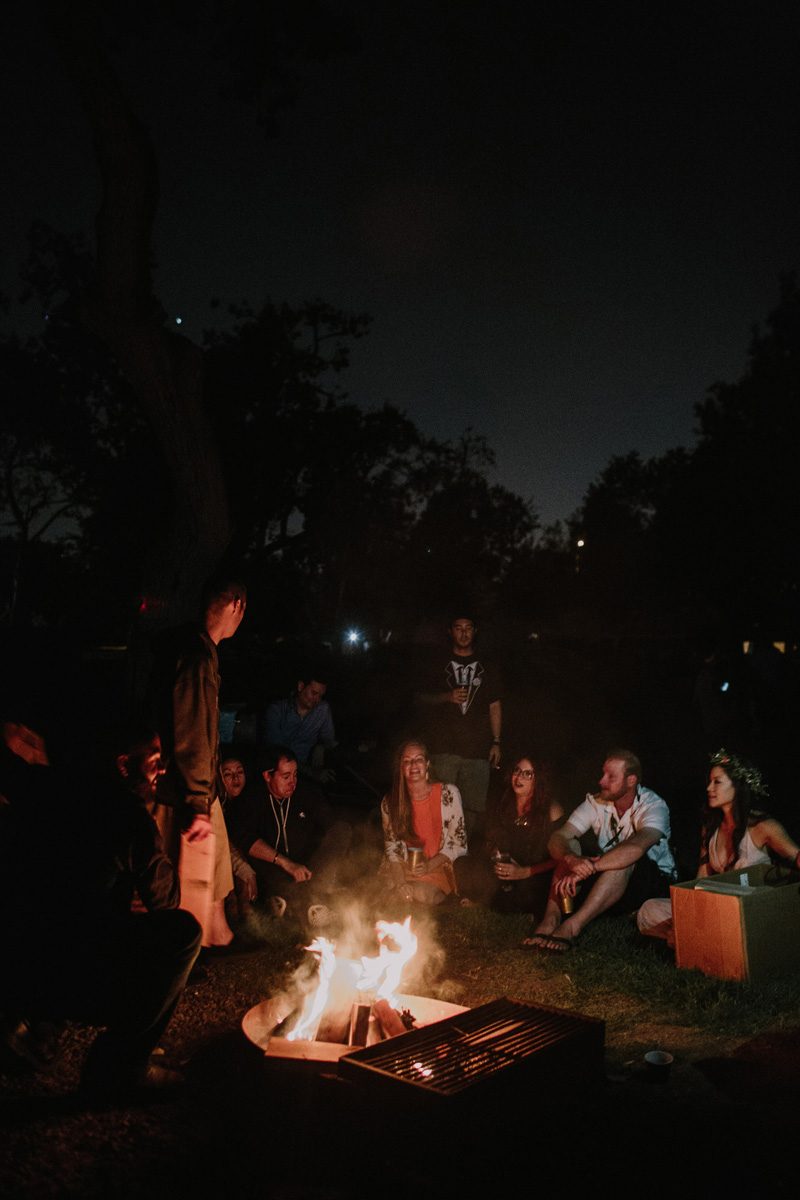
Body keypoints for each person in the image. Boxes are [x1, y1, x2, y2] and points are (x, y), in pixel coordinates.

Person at [0, 721, 201, 1095]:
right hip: (78, 971)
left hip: (19, 960)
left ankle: (33, 1024)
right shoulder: (130, 818)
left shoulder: (42, 784)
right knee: (183, 934)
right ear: (124, 765)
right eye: (154, 761)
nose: (160, 771)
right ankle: (121, 1067)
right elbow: (166, 902)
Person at [150, 573, 247, 947]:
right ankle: (189, 949)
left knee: (215, 871)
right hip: (181, 788)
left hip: (196, 786)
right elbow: (192, 732)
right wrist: (196, 802)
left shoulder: (198, 649)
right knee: (183, 875)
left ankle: (218, 937)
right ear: (236, 605)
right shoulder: (194, 655)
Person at [637, 748, 800, 943]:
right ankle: (693, 937)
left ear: (737, 786)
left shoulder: (763, 827)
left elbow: (796, 856)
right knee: (650, 909)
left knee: (721, 925)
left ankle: (688, 938)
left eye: (717, 782)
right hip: (717, 907)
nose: (709, 788)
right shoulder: (711, 827)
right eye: (709, 781)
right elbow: (702, 877)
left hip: (750, 911)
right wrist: (687, 906)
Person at [524, 748, 676, 952]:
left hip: (652, 883)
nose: (601, 781)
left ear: (631, 780)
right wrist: (572, 859)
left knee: (623, 860)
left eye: (611, 777)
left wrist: (590, 868)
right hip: (611, 881)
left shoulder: (653, 805)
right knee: (571, 847)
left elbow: (636, 847)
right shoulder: (597, 801)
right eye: (603, 774)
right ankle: (550, 919)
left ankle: (572, 927)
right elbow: (558, 837)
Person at [228, 745, 351, 927]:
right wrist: (285, 863)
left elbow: (333, 825)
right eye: (286, 777)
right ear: (267, 775)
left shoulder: (307, 792)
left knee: (342, 830)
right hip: (275, 868)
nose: (292, 782)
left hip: (306, 868)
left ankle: (301, 900)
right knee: (256, 854)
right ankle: (302, 903)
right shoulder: (252, 798)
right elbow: (244, 838)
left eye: (295, 775)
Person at [416, 612, 502, 838]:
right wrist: (447, 696)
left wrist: (496, 741)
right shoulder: (437, 663)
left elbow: (494, 705)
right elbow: (421, 698)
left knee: (472, 807)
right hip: (444, 748)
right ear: (450, 631)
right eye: (458, 628)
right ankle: (438, 847)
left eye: (468, 628)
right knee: (440, 803)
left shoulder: (487, 665)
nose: (463, 633)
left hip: (477, 750)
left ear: (475, 631)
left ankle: (462, 849)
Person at [455, 754, 564, 915]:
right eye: (517, 771)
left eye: (527, 774)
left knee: (528, 891)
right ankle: (491, 899)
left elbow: (560, 858)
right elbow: (481, 837)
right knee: (462, 864)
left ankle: (491, 902)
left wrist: (525, 871)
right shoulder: (502, 803)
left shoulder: (551, 811)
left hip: (532, 874)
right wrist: (492, 850)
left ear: (538, 779)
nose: (519, 777)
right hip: (503, 870)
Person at [380, 739, 467, 905]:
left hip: (437, 866)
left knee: (422, 894)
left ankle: (440, 899)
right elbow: (392, 848)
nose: (413, 765)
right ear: (401, 767)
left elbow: (458, 844)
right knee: (387, 897)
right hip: (402, 869)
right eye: (407, 761)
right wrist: (401, 883)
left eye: (418, 759)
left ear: (427, 764)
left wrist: (428, 866)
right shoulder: (390, 802)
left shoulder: (448, 794)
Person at [263, 670, 337, 776]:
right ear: (301, 686)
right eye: (314, 693)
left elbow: (329, 741)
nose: (317, 699)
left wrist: (321, 747)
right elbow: (276, 752)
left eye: (320, 696)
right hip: (278, 770)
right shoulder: (277, 710)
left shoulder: (322, 710)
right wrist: (312, 773)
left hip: (305, 770)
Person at [219, 755, 258, 919]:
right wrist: (243, 868)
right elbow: (222, 843)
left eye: (239, 772)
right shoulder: (217, 804)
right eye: (228, 774)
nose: (235, 778)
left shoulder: (250, 801)